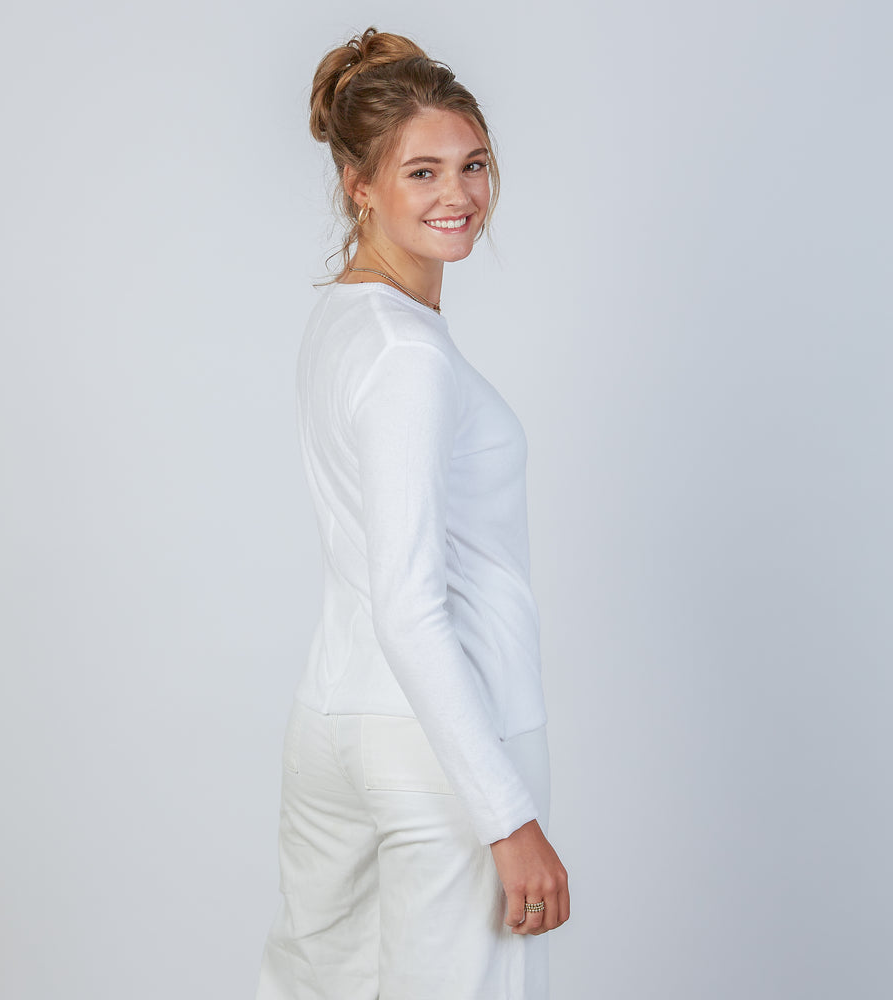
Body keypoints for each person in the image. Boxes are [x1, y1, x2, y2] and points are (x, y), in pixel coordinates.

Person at [255, 27, 570, 1000]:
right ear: (359, 185)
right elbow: (408, 601)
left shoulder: (343, 319)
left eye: (472, 164)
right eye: (422, 171)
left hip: (335, 721)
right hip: (441, 738)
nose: (458, 194)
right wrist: (507, 817)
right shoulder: (407, 356)